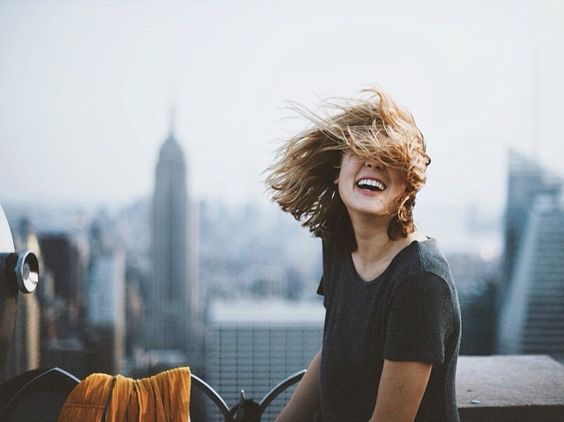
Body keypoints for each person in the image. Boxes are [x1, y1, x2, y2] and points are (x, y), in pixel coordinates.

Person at [266, 87, 461, 422]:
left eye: (389, 157)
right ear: (338, 169)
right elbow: (337, 346)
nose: (373, 162)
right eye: (359, 150)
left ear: (409, 182)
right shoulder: (339, 246)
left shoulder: (421, 280)